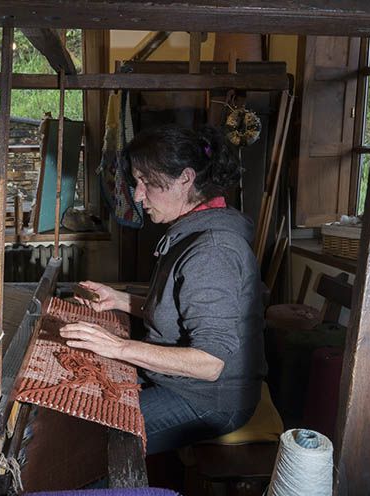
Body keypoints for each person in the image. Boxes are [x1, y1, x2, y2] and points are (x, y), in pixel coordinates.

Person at [60, 124, 266, 455]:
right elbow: (179, 311)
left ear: (185, 179)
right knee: (79, 406)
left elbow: (210, 363)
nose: (138, 195)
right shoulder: (193, 230)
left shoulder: (213, 249)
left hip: (210, 401)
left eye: (146, 181)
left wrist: (118, 347)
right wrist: (122, 299)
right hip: (182, 383)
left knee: (94, 444)